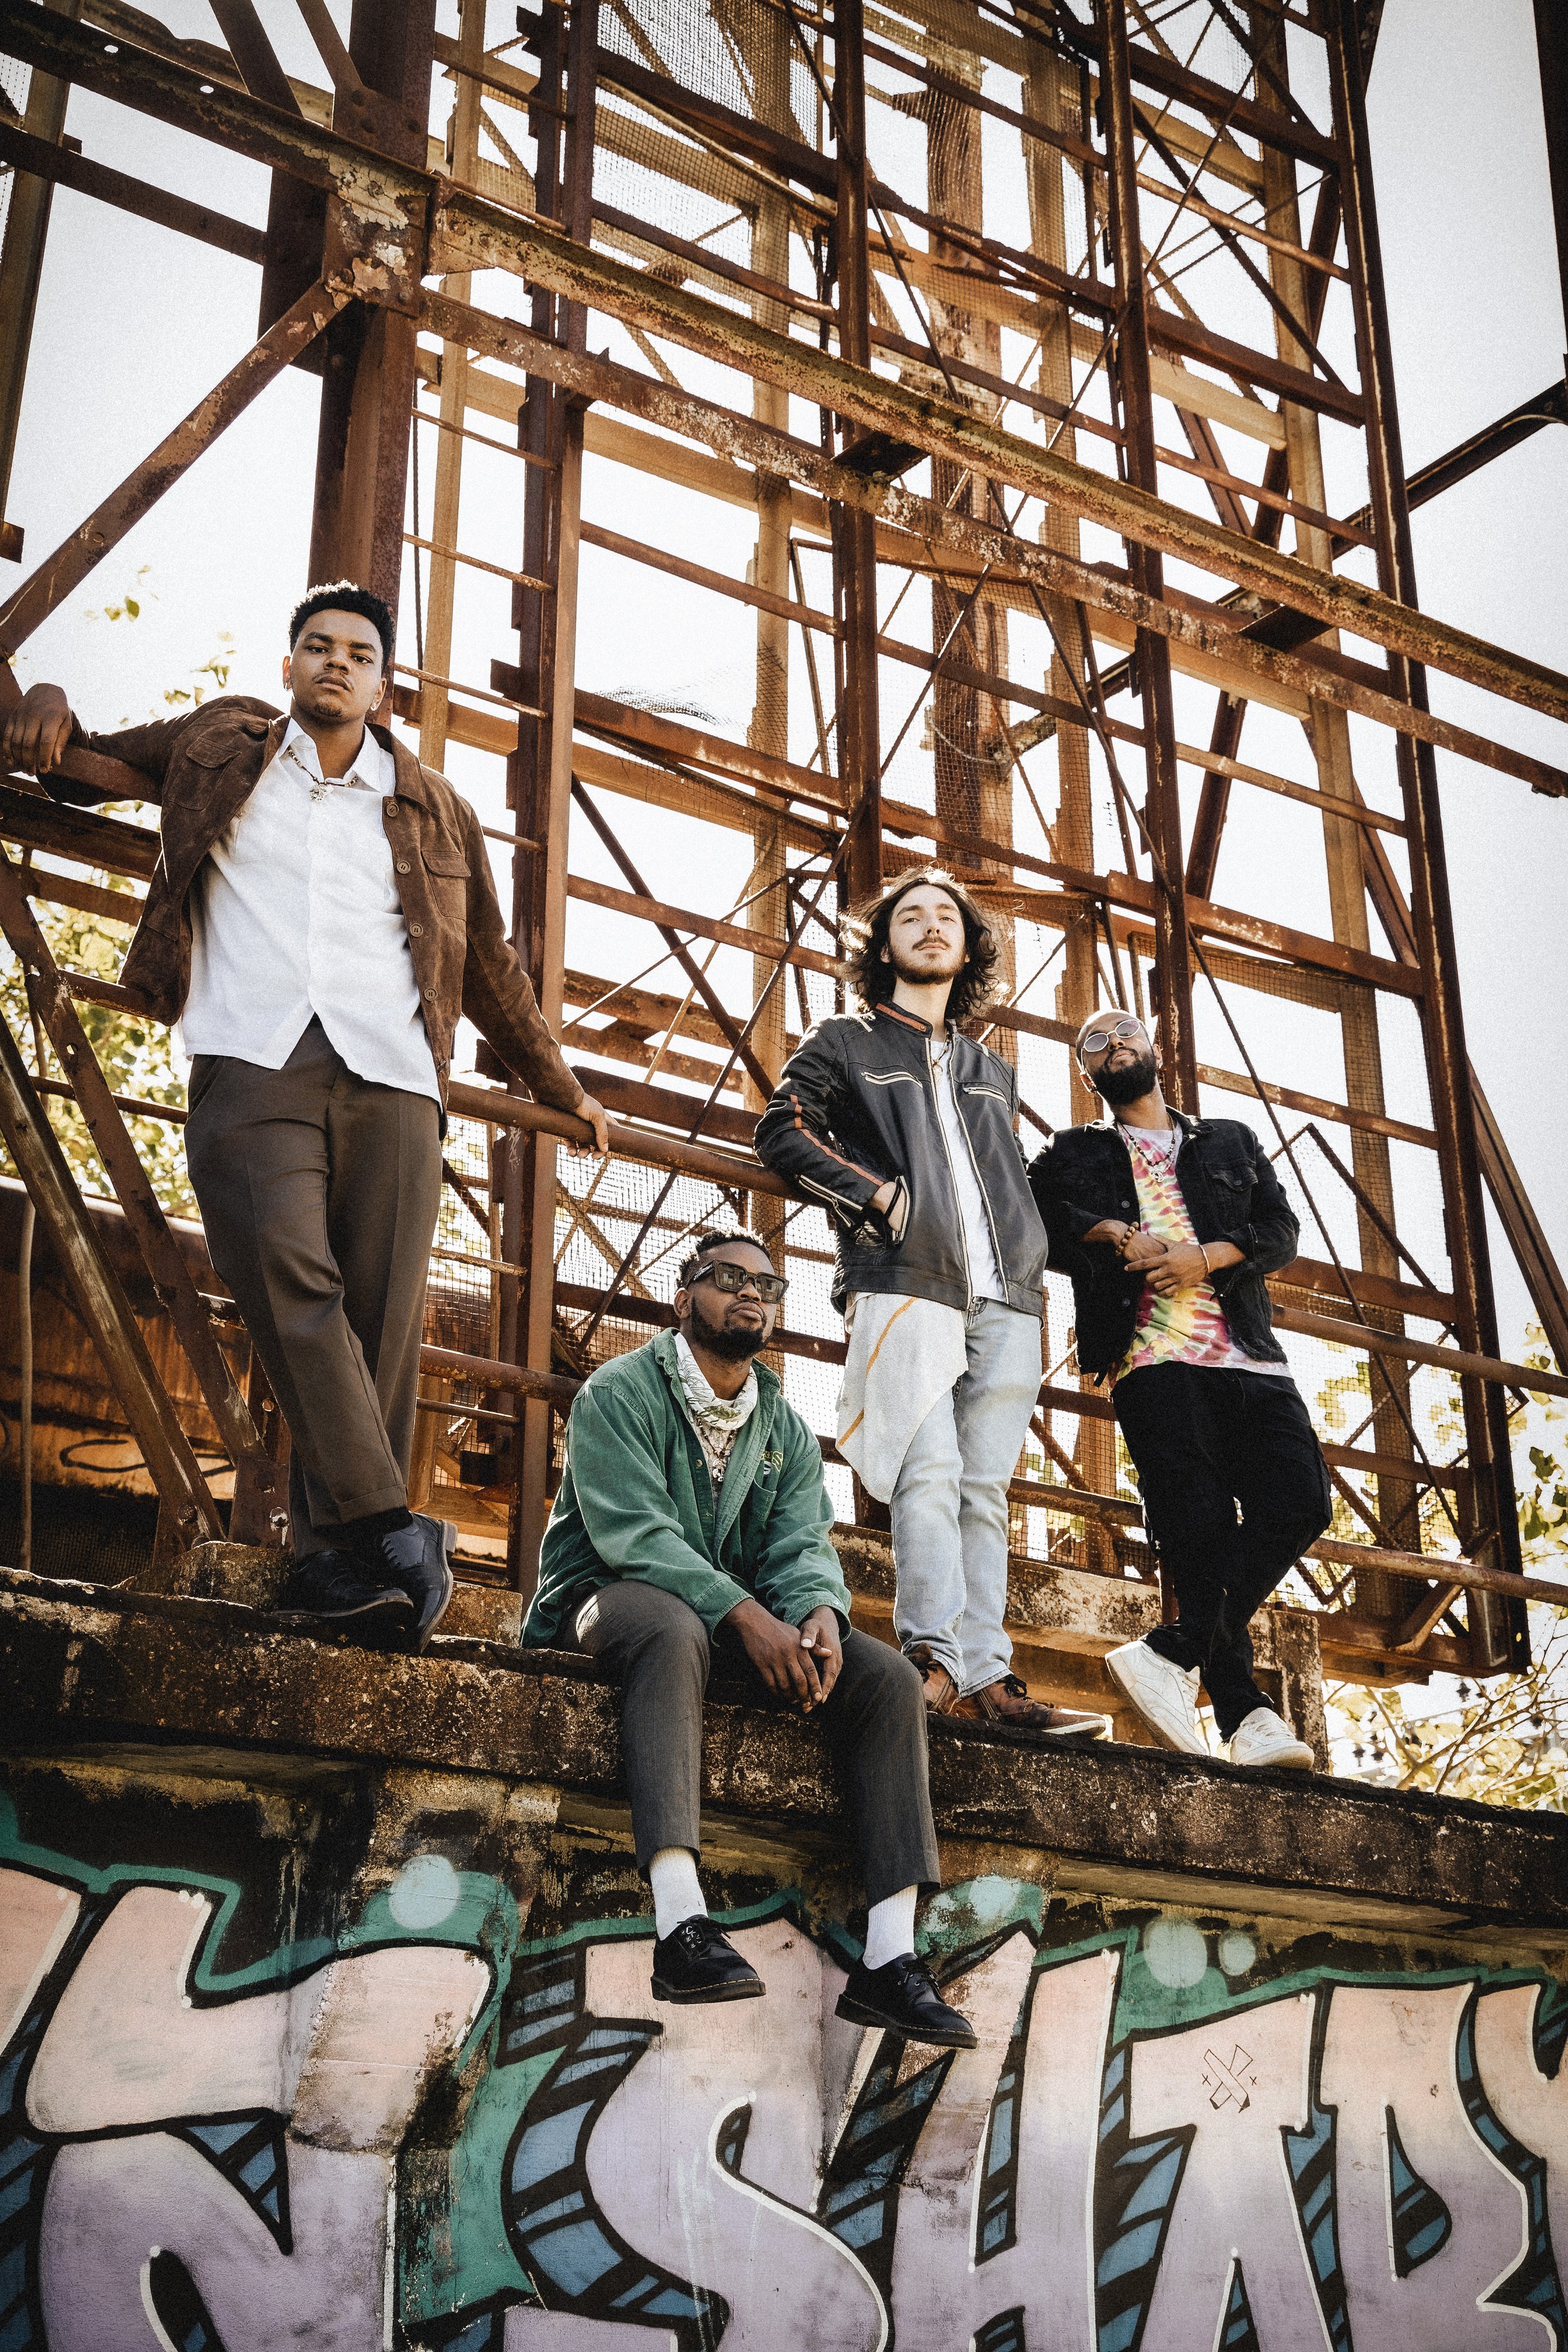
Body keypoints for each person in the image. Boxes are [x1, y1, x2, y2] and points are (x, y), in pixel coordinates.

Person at [1, 584, 608, 1648]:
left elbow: (495, 974)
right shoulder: (218, 745)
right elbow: (93, 760)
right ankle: (393, 1527)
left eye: (359, 653)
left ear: (381, 685)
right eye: (317, 647)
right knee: (284, 1269)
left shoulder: (435, 806)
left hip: (394, 1078)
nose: (337, 663)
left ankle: (345, 1569)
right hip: (252, 1055)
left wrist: (563, 1092)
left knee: (378, 1321)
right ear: (289, 668)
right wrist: (45, 698)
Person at [524, 1227, 975, 2045]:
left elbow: (803, 1545)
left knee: (887, 1678)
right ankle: (680, 1921)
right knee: (668, 1623)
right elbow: (637, 1538)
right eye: (728, 1277)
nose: (751, 1293)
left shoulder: (783, 1428)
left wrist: (817, 1616)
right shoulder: (617, 1393)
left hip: (723, 1623)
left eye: (768, 1285)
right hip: (601, 1607)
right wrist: (746, 1616)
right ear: (682, 1294)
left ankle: (892, 1958)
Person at [754, 867, 1108, 1739]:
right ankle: (934, 1660)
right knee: (930, 1471)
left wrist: (1042, 1249)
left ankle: (990, 1673)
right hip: (908, 1281)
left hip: (1007, 1296)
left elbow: (1005, 1179)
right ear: (882, 945)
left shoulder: (989, 1064)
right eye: (908, 916)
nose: (929, 925)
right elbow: (782, 1127)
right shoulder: (847, 1039)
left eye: (946, 915)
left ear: (969, 945)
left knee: (987, 1488)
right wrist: (878, 1197)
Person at [1029, 1011, 1332, 1769]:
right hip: (1150, 1360)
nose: (1113, 1046)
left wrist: (1204, 1258)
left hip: (1248, 1357)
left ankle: (1172, 1649)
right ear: (1086, 1074)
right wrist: (1113, 1234)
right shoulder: (1075, 1153)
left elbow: (1280, 1228)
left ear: (1154, 1050)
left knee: (1300, 1501)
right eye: (1093, 1044)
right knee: (1198, 1533)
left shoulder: (1227, 1140)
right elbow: (1030, 1215)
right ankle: (1247, 1717)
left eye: (1124, 1032)